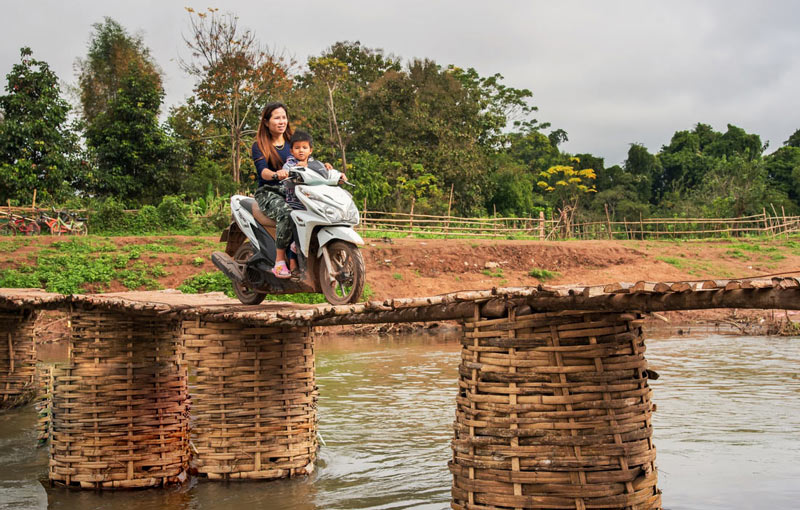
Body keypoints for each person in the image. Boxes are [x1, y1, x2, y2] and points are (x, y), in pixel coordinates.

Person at [251, 102, 296, 279]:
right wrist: (276, 174)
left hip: (291, 190)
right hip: (268, 191)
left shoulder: (293, 142)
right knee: (287, 213)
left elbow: (306, 160)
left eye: (284, 117)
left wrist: (324, 168)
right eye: (277, 118)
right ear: (266, 122)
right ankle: (279, 262)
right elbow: (263, 171)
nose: (281, 121)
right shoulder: (259, 145)